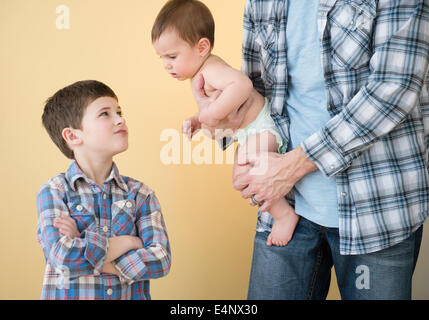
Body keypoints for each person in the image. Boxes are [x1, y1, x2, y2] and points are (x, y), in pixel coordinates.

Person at [197, 0, 428, 299]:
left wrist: (289, 167)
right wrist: (226, 127)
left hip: (377, 212)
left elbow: (393, 89)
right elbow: (256, 88)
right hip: (287, 205)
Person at [152, 0, 300, 246]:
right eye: (162, 58)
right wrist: (199, 120)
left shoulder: (211, 68)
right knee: (241, 178)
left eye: (172, 56)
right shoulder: (200, 73)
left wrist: (210, 115)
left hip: (263, 128)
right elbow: (217, 108)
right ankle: (282, 210)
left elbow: (242, 85)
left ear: (202, 47)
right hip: (248, 133)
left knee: (248, 171)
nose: (167, 65)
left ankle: (285, 216)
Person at [36, 80, 171, 300]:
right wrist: (128, 243)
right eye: (105, 114)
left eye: (119, 111)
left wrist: (82, 242)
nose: (120, 119)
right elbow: (62, 255)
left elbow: (160, 259)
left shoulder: (141, 194)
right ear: (72, 136)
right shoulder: (54, 191)